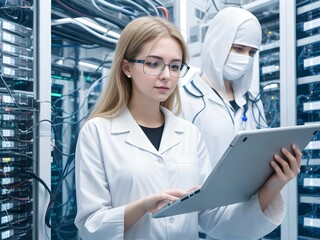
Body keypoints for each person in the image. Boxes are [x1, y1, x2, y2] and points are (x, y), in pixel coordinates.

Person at [74, 15, 301, 240]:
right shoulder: (97, 132)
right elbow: (90, 226)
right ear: (127, 67)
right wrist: (142, 206)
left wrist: (273, 186)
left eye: (174, 67)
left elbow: (213, 219)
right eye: (153, 64)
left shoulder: (189, 133)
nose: (166, 76)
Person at [180, 7, 301, 239]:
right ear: (218, 42)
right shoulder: (186, 99)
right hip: (201, 224)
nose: (244, 58)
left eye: (251, 52)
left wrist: (279, 174)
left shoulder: (252, 102)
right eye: (238, 48)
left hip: (248, 216)